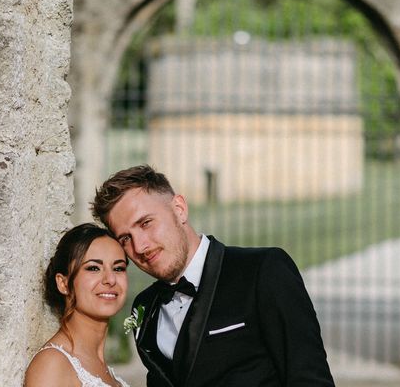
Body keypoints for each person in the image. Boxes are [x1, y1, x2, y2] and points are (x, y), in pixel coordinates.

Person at [91, 165, 335, 387]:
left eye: (145, 223)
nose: (140, 246)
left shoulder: (263, 270)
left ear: (179, 209)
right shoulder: (145, 306)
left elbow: (311, 379)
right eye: (125, 238)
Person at [25, 223, 131, 387]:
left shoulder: (104, 368)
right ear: (64, 283)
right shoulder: (53, 365)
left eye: (118, 268)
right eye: (94, 268)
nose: (110, 279)